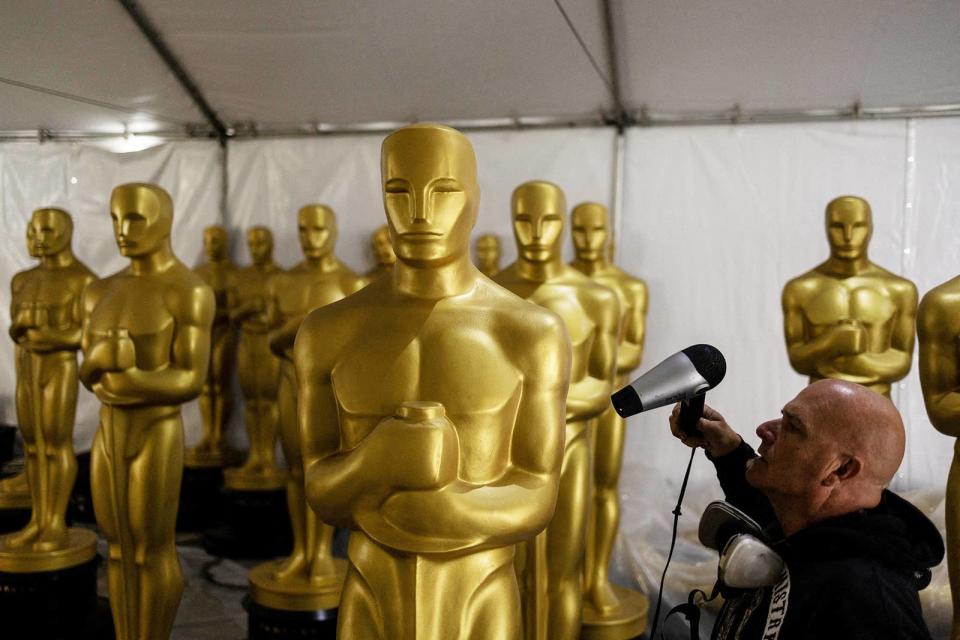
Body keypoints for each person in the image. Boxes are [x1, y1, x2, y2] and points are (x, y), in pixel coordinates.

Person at [669, 379, 942, 640]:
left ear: (840, 469)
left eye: (793, 427)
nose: (764, 428)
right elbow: (764, 508)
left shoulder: (866, 601)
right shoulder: (806, 527)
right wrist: (728, 449)